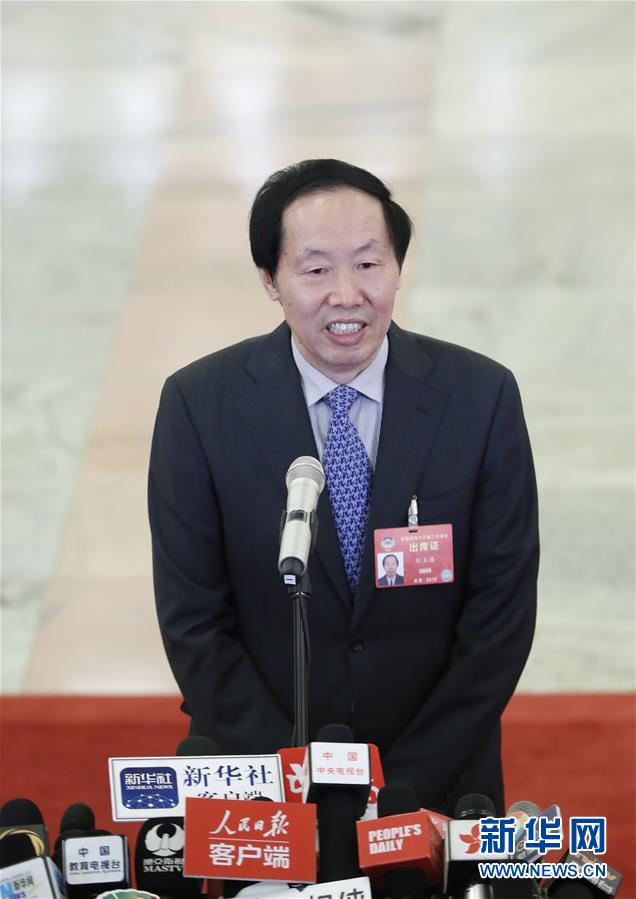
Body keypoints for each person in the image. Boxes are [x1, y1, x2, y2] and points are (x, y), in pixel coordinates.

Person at [148, 159, 539, 814]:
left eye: (367, 263)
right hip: (267, 784)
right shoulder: (199, 405)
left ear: (397, 266)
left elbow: (501, 615)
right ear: (269, 278)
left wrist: (402, 785)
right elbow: (194, 621)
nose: (347, 294)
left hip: (440, 782)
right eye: (316, 270)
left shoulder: (482, 397)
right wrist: (295, 777)